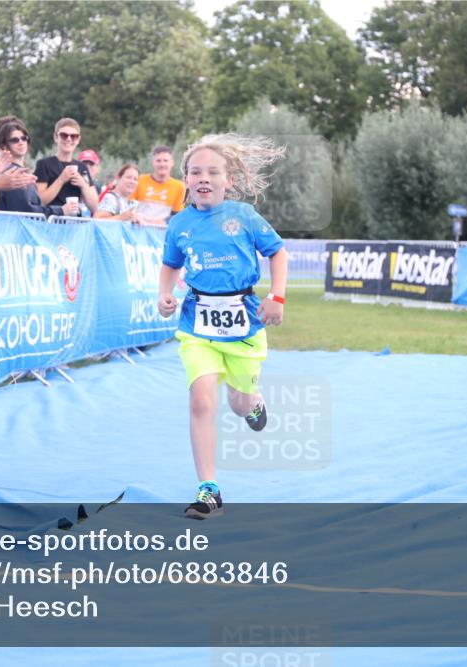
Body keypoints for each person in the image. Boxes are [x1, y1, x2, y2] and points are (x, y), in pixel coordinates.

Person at [157, 134, 288, 520]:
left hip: (244, 325)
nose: (204, 178)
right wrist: (164, 294)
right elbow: (170, 263)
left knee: (237, 402)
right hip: (197, 324)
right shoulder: (180, 224)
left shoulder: (243, 216)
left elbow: (278, 252)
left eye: (213, 172)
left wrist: (277, 297)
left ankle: (254, 402)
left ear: (227, 179)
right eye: (195, 171)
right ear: (186, 179)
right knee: (201, 400)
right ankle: (209, 489)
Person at [0, 120, 76, 217]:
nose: (21, 142)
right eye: (14, 140)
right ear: (4, 145)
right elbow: (26, 211)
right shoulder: (12, 173)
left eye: (24, 138)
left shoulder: (18, 171)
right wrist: (60, 210)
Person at [34, 118, 99, 215]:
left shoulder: (82, 167)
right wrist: (61, 179)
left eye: (73, 136)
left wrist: (83, 184)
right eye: (64, 135)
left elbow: (95, 206)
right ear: (56, 137)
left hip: (74, 223)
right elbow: (40, 200)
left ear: (78, 140)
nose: (69, 139)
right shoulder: (44, 164)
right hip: (51, 222)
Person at [133, 145, 186, 226]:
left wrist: (164, 221)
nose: (162, 164)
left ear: (172, 163)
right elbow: (128, 207)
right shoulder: (139, 180)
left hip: (161, 232)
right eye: (158, 161)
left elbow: (177, 215)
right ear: (153, 162)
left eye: (165, 161)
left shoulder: (179, 187)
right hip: (138, 229)